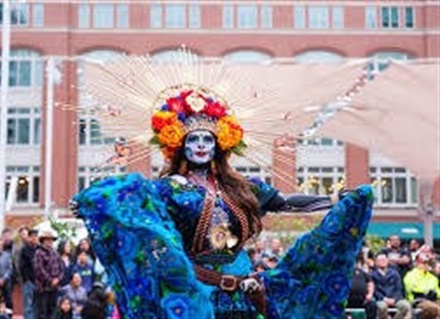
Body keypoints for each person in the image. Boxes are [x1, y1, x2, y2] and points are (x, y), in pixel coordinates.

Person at [71, 85, 374, 318]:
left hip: (245, 286)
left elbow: (284, 202)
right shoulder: (168, 189)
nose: (201, 146)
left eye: (207, 140)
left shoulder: (240, 187)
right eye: (193, 140)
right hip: (196, 287)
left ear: (219, 145)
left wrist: (333, 199)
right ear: (180, 145)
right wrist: (93, 205)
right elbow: (133, 208)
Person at [33, 229, 65, 319]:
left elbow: (61, 267)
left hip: (54, 288)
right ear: (43, 240)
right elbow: (39, 270)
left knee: (53, 311)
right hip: (43, 288)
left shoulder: (55, 252)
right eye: (47, 240)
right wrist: (51, 280)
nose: (50, 242)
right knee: (42, 313)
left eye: (51, 240)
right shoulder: (38, 253)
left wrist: (58, 279)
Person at [371, 253, 411, 319]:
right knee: (382, 307)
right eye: (380, 260)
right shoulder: (372, 275)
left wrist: (395, 299)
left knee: (405, 306)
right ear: (376, 262)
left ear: (387, 261)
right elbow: (375, 290)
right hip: (380, 299)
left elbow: (399, 288)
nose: (382, 262)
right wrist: (384, 299)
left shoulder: (395, 273)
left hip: (395, 298)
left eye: (384, 260)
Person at [18, 229, 38, 319]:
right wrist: (27, 279)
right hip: (28, 282)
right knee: (28, 306)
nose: (34, 238)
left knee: (37, 306)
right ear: (29, 238)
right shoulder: (24, 250)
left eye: (36, 236)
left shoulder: (40, 249)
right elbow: (21, 266)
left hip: (39, 282)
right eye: (32, 236)